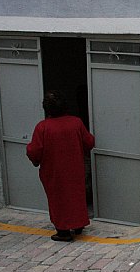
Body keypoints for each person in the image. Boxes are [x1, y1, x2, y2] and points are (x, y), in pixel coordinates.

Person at [27, 91, 95, 242]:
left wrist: (35, 160)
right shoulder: (76, 122)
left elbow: (34, 150)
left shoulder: (43, 127)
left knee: (58, 199)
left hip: (53, 170)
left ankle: (63, 231)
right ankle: (78, 225)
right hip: (75, 168)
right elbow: (89, 142)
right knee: (76, 195)